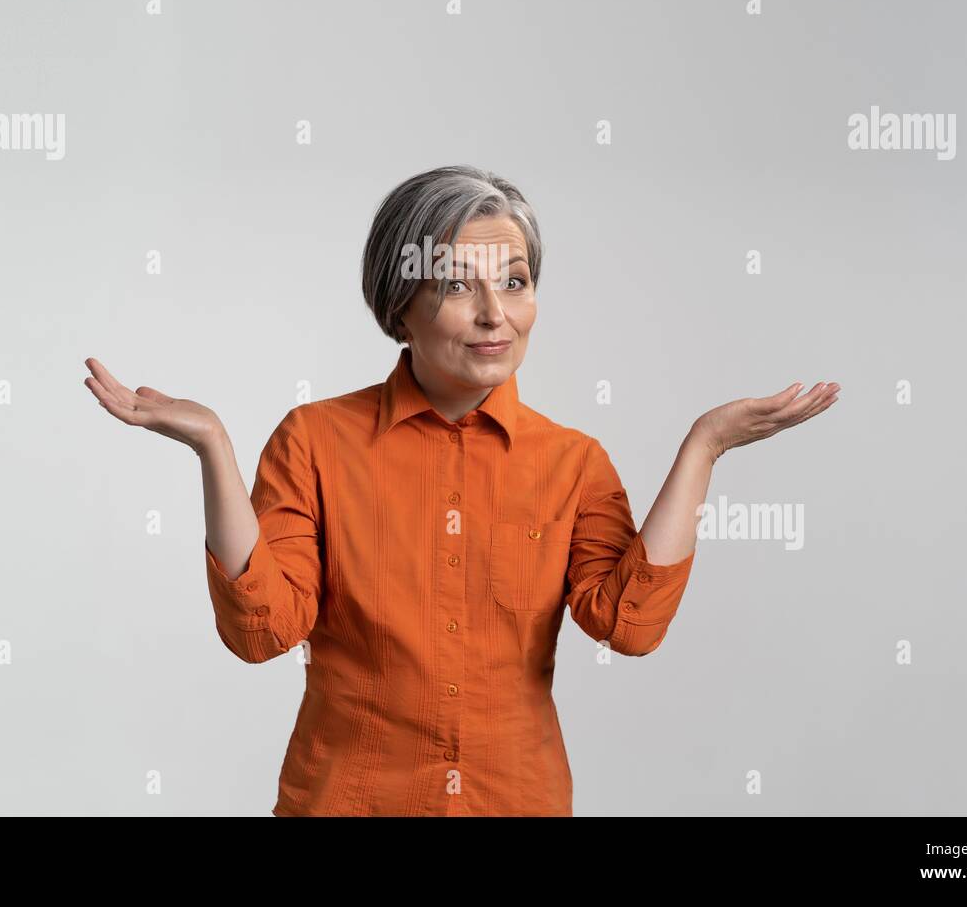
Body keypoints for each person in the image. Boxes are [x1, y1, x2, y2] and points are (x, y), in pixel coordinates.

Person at [83, 164, 838, 815]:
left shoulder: (573, 462)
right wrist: (213, 445)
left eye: (515, 283)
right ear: (399, 303)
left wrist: (703, 448)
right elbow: (263, 631)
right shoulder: (313, 441)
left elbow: (628, 625)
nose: (495, 316)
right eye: (457, 286)